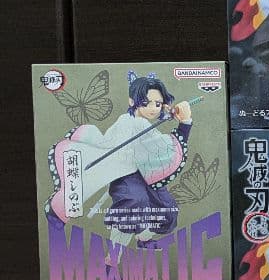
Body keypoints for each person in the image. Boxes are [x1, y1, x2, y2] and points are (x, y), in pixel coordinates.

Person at [46, 70, 193, 251]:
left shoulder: (143, 122)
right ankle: (113, 259)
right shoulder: (129, 122)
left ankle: (143, 239)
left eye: (157, 104)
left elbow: (156, 144)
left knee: (166, 208)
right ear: (132, 101)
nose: (153, 108)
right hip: (125, 174)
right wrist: (185, 124)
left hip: (146, 173)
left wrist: (173, 114)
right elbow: (162, 147)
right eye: (146, 103)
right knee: (134, 204)